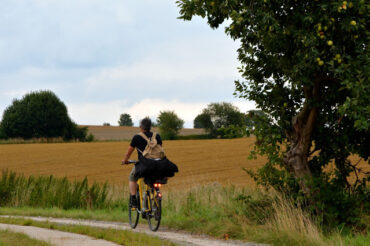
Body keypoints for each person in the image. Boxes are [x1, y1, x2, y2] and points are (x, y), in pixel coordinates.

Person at [122, 117, 163, 207]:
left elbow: (129, 152)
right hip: (158, 165)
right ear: (150, 127)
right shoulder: (157, 136)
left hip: (144, 165)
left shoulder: (137, 137)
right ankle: (157, 198)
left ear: (141, 127)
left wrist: (125, 160)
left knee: (132, 177)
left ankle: (133, 200)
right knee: (155, 180)